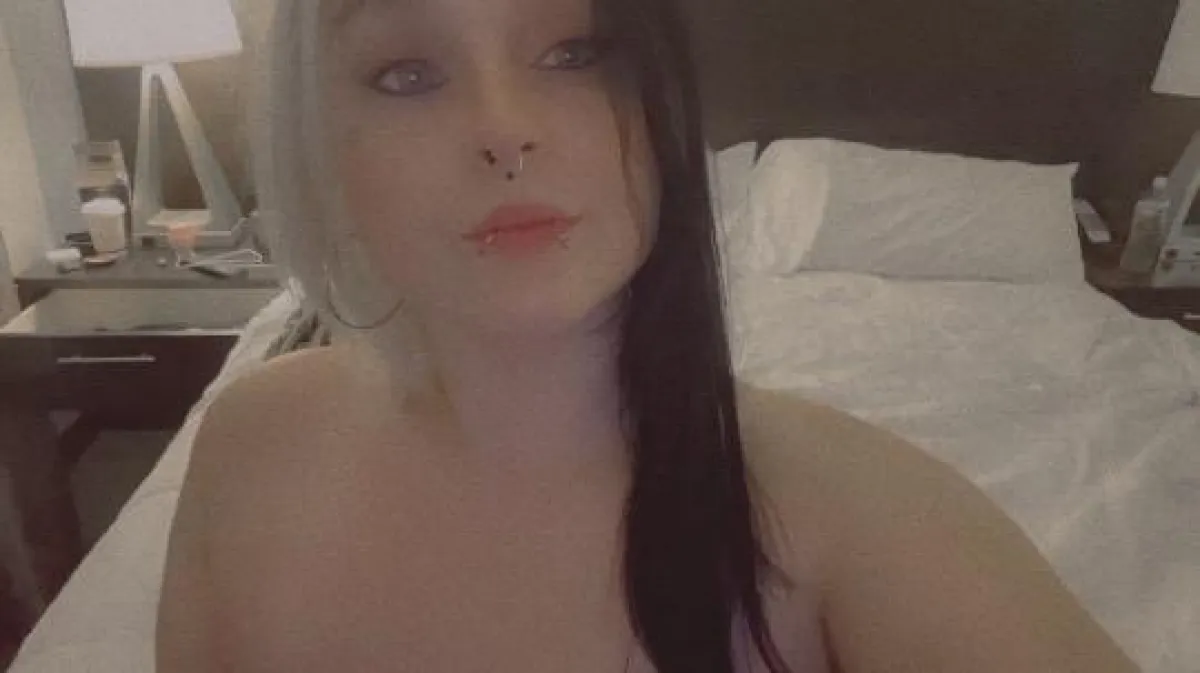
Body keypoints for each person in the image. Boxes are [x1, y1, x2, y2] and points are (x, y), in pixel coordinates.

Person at [156, 0, 1142, 671]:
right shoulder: (253, 441)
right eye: (407, 72)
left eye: (575, 52)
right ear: (319, 141)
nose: (504, 128)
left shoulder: (854, 515)